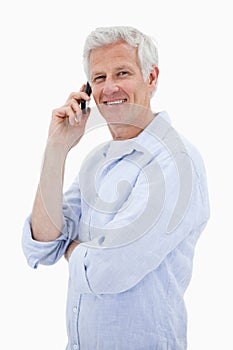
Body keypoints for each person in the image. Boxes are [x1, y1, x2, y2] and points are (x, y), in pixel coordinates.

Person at [22, 26, 210, 350]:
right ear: (88, 90)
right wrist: (57, 148)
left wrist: (73, 248)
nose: (110, 87)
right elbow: (41, 243)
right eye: (99, 78)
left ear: (151, 78)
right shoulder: (97, 162)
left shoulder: (175, 162)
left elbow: (108, 271)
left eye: (122, 73)